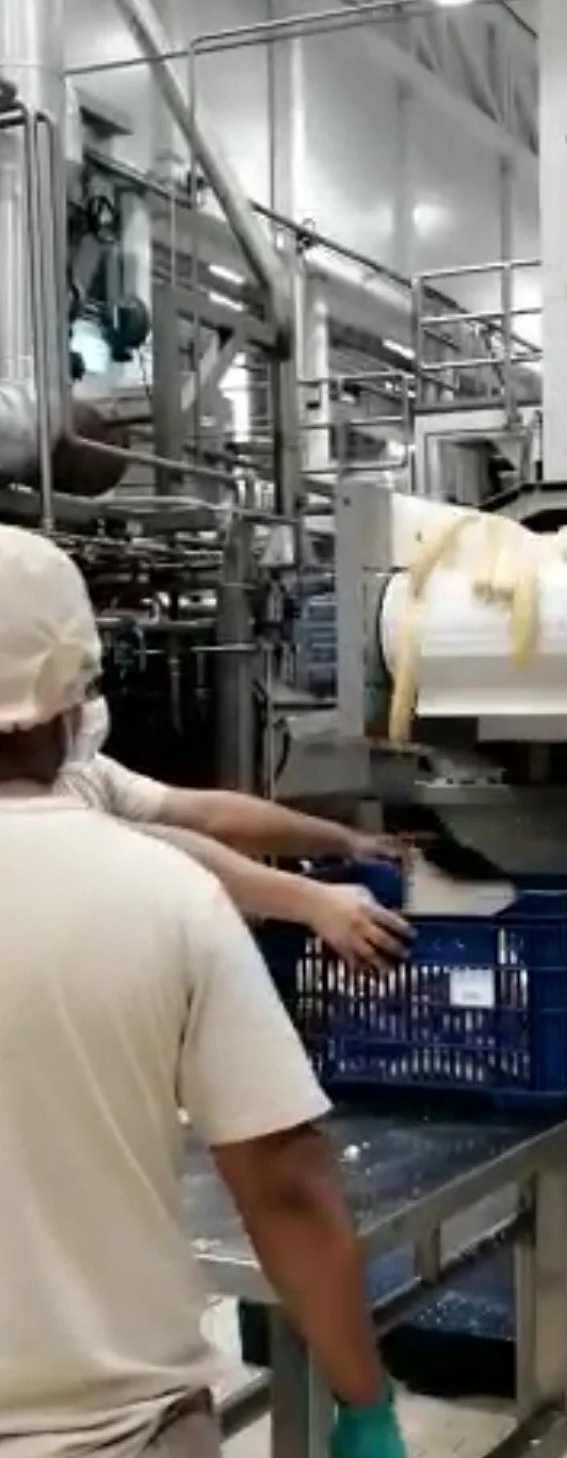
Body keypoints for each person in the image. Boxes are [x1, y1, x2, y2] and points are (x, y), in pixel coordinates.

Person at [0, 524, 406, 1458]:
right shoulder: (168, 901)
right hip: (116, 1430)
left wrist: (326, 862)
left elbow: (197, 819)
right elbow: (286, 1187)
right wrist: (364, 1406)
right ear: (73, 691)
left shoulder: (134, 842)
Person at [60, 696, 411, 971]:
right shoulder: (22, 800)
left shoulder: (81, 767)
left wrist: (347, 841)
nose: (90, 702)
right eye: (79, 688)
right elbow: (152, 848)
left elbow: (213, 815)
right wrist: (311, 902)